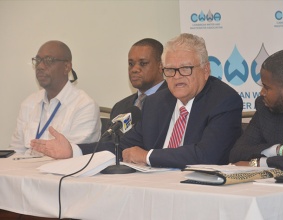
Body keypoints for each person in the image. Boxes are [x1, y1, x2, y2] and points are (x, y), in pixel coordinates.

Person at [31, 33, 243, 169]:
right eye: (170, 70)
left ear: (206, 70)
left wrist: (148, 156)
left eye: (186, 69)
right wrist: (73, 151)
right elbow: (121, 146)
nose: (177, 76)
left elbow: (206, 154)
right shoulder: (156, 103)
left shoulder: (224, 100)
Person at [10, 40, 101, 154]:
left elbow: (74, 156)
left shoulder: (85, 106)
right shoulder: (29, 103)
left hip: (63, 171)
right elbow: (15, 151)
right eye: (38, 60)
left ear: (66, 67)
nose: (40, 66)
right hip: (23, 170)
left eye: (49, 60)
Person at [109, 38, 167, 120]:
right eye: (131, 64)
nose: (134, 69)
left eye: (143, 63)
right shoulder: (119, 108)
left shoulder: (173, 102)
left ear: (161, 66)